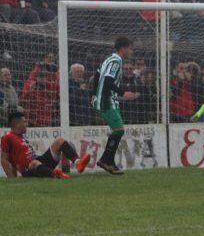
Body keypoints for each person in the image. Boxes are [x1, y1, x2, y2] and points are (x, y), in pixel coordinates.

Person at [92, 36, 139, 175]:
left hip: (104, 99)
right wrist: (123, 93)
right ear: (123, 48)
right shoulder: (116, 62)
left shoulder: (109, 59)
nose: (131, 51)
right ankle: (106, 160)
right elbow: (107, 81)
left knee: (118, 130)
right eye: (130, 48)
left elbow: (96, 74)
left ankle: (107, 161)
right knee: (118, 130)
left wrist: (93, 94)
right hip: (106, 101)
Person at [1, 111, 91, 179]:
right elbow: (4, 159)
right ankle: (57, 175)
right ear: (17, 124)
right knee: (34, 163)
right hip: (29, 169)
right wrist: (11, 178)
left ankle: (78, 163)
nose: (27, 124)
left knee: (59, 141)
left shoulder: (21, 137)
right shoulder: (7, 137)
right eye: (24, 122)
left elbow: (13, 159)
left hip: (39, 163)